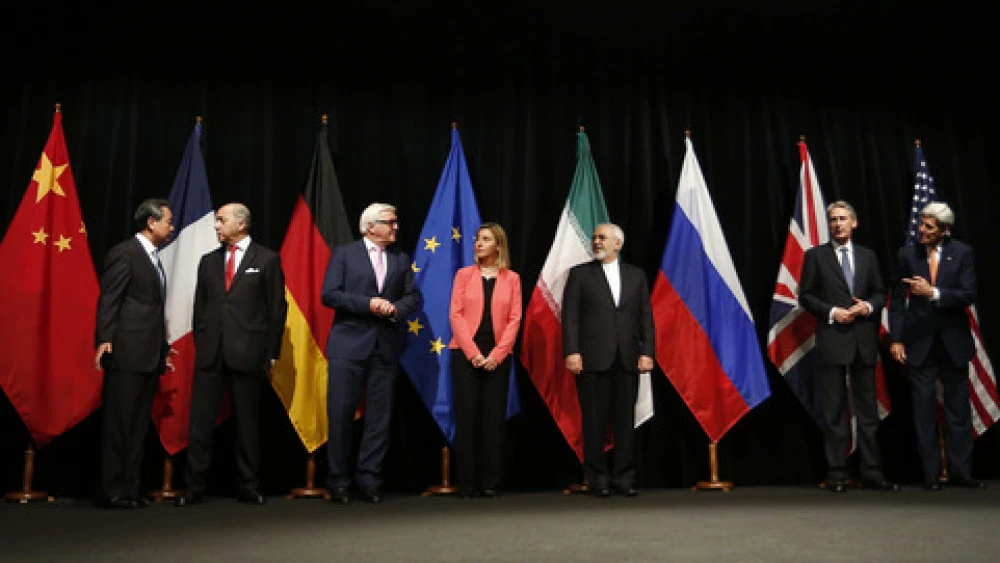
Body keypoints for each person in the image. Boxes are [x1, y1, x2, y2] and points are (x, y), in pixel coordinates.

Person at [176, 203, 287, 506]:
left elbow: (277, 309)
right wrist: (202, 339)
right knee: (200, 424)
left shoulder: (266, 259)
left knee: (248, 425)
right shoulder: (208, 261)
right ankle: (195, 486)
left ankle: (249, 485)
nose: (216, 226)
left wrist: (271, 353)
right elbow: (201, 307)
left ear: (241, 224)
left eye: (221, 221)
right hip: (210, 354)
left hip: (248, 354)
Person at [322, 202, 422, 504]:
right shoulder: (344, 254)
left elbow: (413, 297)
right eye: (389, 222)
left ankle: (369, 480)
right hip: (348, 346)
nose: (395, 227)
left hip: (385, 347)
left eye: (395, 221)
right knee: (340, 415)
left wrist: (394, 308)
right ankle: (338, 481)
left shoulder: (401, 259)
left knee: (380, 418)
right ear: (370, 227)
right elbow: (330, 294)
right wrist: (368, 304)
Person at [798, 200, 899, 493]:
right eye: (833, 220)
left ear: (854, 223)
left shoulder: (868, 256)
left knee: (867, 412)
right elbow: (805, 295)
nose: (837, 224)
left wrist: (867, 307)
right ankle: (837, 472)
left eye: (843, 219)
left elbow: (881, 292)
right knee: (833, 411)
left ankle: (872, 471)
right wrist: (832, 312)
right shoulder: (815, 256)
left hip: (863, 341)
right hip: (832, 339)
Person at [889, 202, 986, 491]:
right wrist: (896, 338)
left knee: (958, 410)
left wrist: (934, 293)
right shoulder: (907, 254)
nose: (921, 230)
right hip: (919, 342)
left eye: (929, 227)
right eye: (921, 224)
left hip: (953, 342)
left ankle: (961, 472)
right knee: (924, 411)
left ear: (944, 230)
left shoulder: (962, 253)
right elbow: (896, 300)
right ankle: (931, 475)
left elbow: (968, 293)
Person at [562, 223, 655, 497]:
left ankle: (624, 479)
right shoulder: (580, 275)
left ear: (618, 243)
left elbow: (646, 318)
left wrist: (647, 352)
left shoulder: (636, 276)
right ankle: (598, 480)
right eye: (594, 238)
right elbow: (570, 317)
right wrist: (571, 351)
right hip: (591, 359)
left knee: (625, 422)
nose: (597, 242)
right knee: (593, 422)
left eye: (602, 237)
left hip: (627, 359)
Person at [94, 198, 174, 509]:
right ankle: (112, 489)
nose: (172, 226)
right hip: (126, 352)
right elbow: (109, 300)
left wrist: (162, 349)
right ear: (151, 223)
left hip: (148, 355)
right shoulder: (125, 253)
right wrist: (104, 339)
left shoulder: (154, 257)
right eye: (168, 220)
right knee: (120, 424)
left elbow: (152, 310)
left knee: (139, 425)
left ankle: (130, 488)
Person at [448, 223, 522, 499]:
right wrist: (473, 353)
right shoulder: (464, 275)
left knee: (493, 419)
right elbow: (455, 314)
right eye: (478, 239)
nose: (478, 244)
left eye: (486, 240)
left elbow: (515, 319)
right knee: (467, 418)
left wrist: (497, 355)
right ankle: (467, 483)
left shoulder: (512, 278)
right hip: (466, 352)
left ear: (498, 247)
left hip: (497, 354)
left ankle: (490, 482)